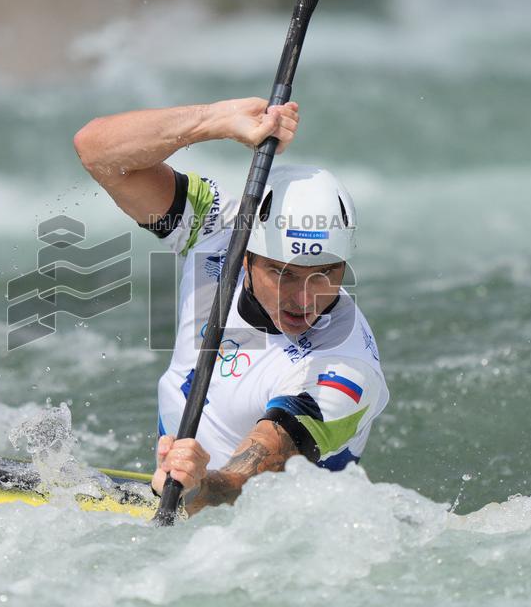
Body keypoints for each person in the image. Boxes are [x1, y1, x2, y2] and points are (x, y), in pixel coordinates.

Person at [74, 98, 389, 515]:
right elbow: (97, 151)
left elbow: (240, 486)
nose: (305, 298)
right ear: (246, 257)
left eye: (326, 273)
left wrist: (196, 487)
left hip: (261, 533)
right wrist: (216, 121)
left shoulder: (343, 371)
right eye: (282, 273)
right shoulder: (220, 232)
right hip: (181, 493)